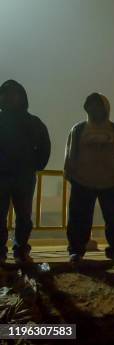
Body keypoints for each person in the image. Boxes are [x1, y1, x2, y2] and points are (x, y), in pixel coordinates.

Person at [64, 92, 114, 267]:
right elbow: (70, 154)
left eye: (98, 105)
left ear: (105, 109)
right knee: (78, 219)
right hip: (82, 181)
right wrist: (71, 175)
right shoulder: (78, 130)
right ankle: (76, 251)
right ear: (87, 108)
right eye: (92, 105)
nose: (95, 109)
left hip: (112, 182)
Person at [0, 80, 51, 265]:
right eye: (4, 93)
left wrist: (35, 165)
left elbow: (44, 146)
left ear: (22, 97)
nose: (8, 97)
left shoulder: (33, 122)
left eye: (13, 93)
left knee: (23, 217)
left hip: (24, 177)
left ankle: (20, 250)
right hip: (3, 177)